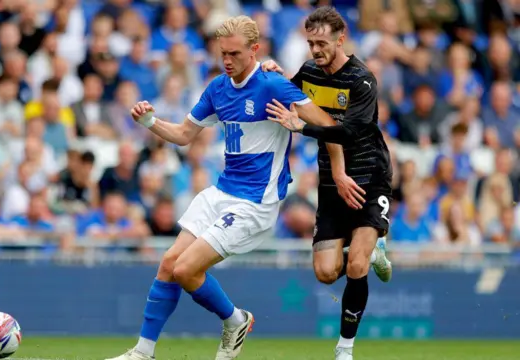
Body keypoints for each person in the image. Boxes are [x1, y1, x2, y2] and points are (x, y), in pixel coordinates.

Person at [106, 15, 360, 360]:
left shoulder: (272, 85)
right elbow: (183, 135)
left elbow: (330, 126)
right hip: (220, 193)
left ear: (255, 50)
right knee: (168, 263)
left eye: (235, 54)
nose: (227, 61)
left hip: (255, 202)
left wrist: (334, 166)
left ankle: (235, 320)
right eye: (222, 53)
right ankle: (143, 351)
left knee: (185, 269)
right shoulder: (217, 88)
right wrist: (149, 121)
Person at [262, 7, 393, 360]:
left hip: (369, 176)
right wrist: (274, 75)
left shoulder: (361, 80)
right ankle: (365, 244)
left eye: (321, 43)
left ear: (341, 36)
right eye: (310, 43)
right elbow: (290, 97)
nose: (315, 51)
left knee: (356, 266)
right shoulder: (308, 72)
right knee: (325, 273)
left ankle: (344, 348)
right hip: (330, 181)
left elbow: (349, 132)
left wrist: (302, 127)